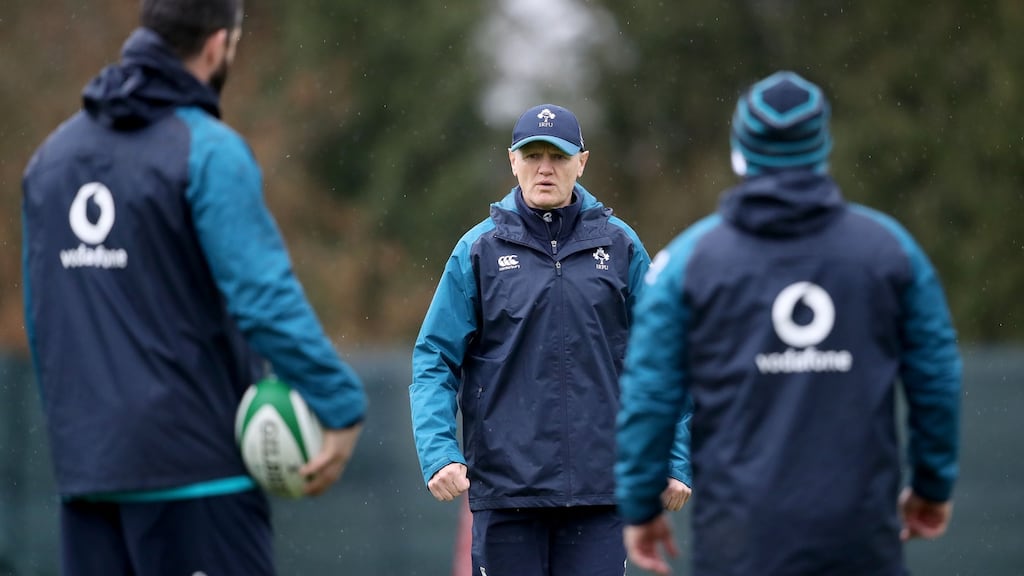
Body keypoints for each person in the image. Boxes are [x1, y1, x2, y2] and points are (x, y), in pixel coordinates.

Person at [21, 1, 366, 574]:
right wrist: (341, 403)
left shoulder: (50, 161)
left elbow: (44, 324)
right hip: (199, 481)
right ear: (217, 45)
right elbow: (263, 299)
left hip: (87, 480)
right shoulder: (209, 149)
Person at [615, 70, 963, 575]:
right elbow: (936, 378)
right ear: (822, 147)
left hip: (739, 539)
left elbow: (649, 393)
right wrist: (933, 487)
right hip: (859, 534)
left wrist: (640, 504)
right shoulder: (888, 250)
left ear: (741, 150)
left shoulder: (690, 261)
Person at [409, 103, 692, 576]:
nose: (545, 167)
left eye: (558, 156)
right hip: (506, 494)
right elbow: (435, 358)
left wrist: (674, 454)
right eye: (533, 154)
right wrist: (439, 451)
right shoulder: (477, 250)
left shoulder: (621, 246)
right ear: (512, 160)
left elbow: (667, 357)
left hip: (601, 493)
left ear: (582, 162)